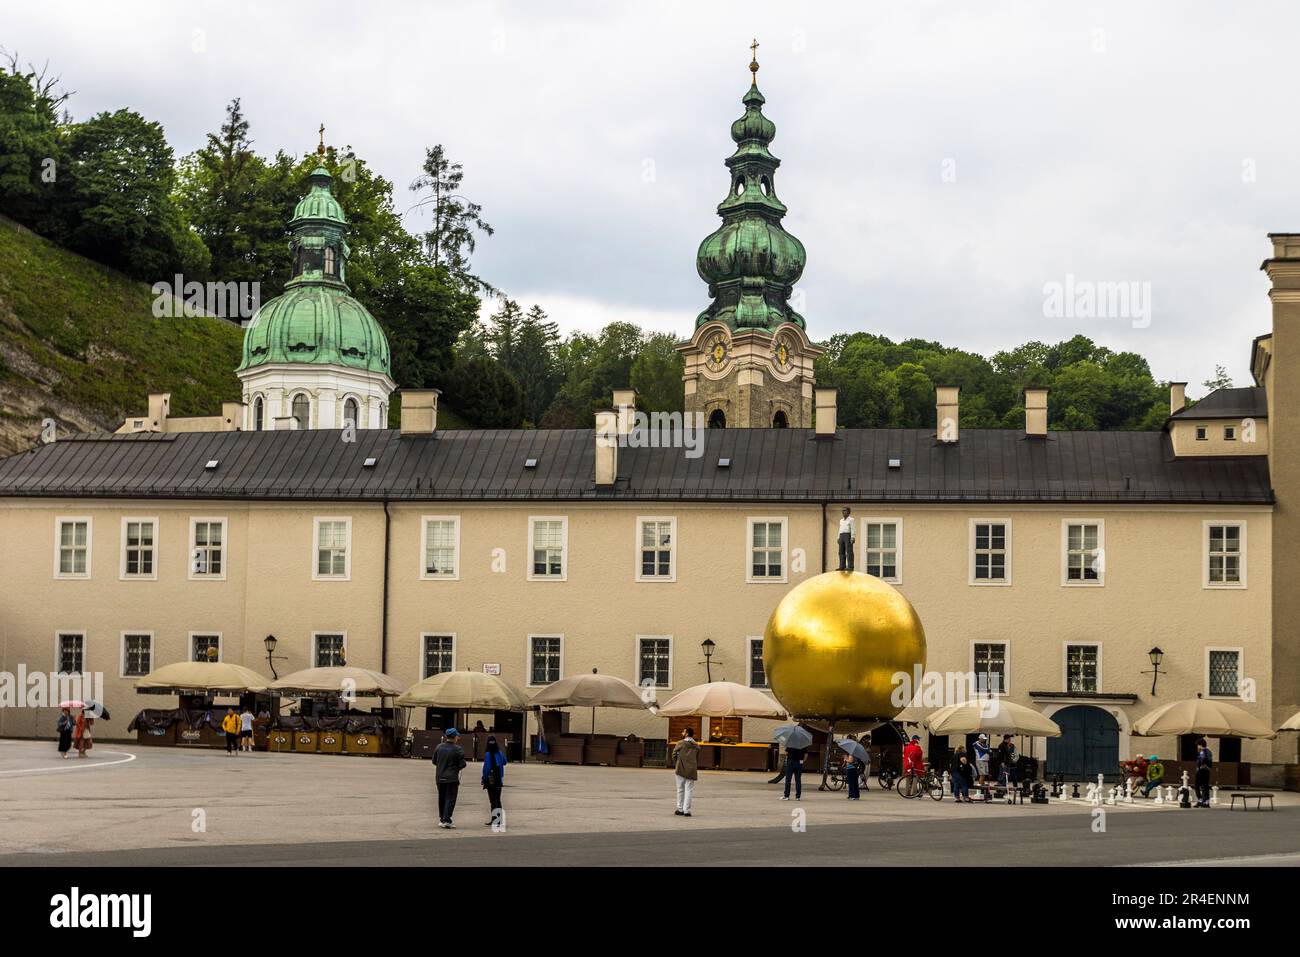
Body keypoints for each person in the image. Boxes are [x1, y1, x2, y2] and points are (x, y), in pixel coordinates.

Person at [434, 728, 468, 828]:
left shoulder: (439, 747)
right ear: (454, 737)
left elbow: (434, 761)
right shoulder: (458, 749)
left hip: (439, 777)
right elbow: (463, 764)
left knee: (442, 798)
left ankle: (441, 818)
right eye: (457, 736)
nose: (458, 737)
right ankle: (447, 819)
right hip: (452, 778)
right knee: (450, 798)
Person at [672, 726, 699, 817]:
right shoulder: (696, 745)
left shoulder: (680, 743)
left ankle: (680, 809)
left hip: (680, 768)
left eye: (683, 732)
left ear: (686, 733)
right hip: (692, 769)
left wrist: (677, 763)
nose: (682, 733)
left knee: (680, 789)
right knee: (689, 790)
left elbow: (674, 754)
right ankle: (687, 810)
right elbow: (697, 757)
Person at [481, 734, 507, 826]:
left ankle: (495, 820)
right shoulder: (499, 752)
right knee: (498, 799)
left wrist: (484, 778)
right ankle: (499, 820)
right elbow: (505, 762)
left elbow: (487, 768)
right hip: (499, 778)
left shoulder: (488, 754)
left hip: (490, 779)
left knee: (492, 800)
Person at [1194, 738, 1213, 807]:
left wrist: (1199, 766)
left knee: (1196, 785)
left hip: (1201, 770)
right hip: (1207, 770)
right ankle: (1206, 802)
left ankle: (1200, 800)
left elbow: (1203, 759)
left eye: (1198, 745)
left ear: (1200, 745)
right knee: (1205, 786)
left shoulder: (1202, 751)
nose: (1197, 747)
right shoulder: (1209, 751)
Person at [837, 507, 855, 571]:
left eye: (845, 510)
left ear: (848, 512)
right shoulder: (841, 520)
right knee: (841, 551)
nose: (843, 512)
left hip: (848, 535)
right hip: (841, 535)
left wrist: (852, 537)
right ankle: (842, 566)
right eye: (842, 511)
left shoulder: (851, 520)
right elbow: (840, 529)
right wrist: (838, 537)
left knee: (849, 551)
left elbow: (853, 528)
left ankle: (850, 566)